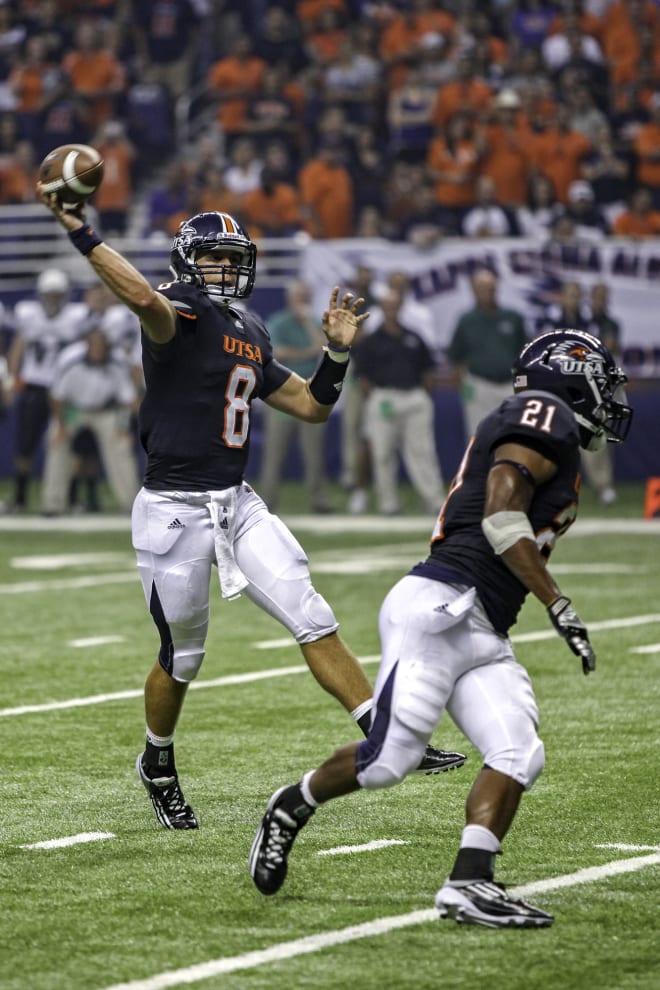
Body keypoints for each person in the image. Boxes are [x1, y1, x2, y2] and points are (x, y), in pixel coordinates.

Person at [36, 193, 465, 830]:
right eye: (211, 256)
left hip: (236, 503)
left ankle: (388, 734)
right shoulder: (175, 312)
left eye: (231, 257)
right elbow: (143, 302)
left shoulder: (250, 328)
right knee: (182, 657)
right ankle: (156, 761)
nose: (224, 267)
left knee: (311, 613)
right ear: (187, 260)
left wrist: (338, 354)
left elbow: (312, 406)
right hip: (173, 508)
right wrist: (82, 232)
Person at [249, 328, 633, 928]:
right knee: (386, 764)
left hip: (483, 625)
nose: (606, 396)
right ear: (566, 378)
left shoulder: (556, 431)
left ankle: (469, 884)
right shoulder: (545, 413)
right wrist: (557, 603)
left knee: (517, 751)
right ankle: (289, 805)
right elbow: (503, 516)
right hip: (441, 608)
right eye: (599, 381)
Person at [352, 286, 444, 517]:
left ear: (400, 307)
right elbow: (361, 375)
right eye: (388, 305)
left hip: (413, 397)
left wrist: (423, 394)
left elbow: (429, 370)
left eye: (395, 305)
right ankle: (389, 504)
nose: (392, 309)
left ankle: (434, 501)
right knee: (382, 453)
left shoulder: (414, 336)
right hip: (384, 397)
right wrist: (374, 397)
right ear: (382, 308)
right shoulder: (371, 340)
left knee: (422, 452)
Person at [3, 267, 88, 513]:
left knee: (69, 443)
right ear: (41, 294)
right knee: (25, 445)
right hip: (35, 388)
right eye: (49, 294)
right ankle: (20, 498)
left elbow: (82, 351)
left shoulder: (76, 316)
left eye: (57, 294)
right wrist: (11, 383)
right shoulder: (28, 314)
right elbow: (17, 350)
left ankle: (71, 498)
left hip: (66, 393)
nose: (53, 299)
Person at [41, 327, 140, 516]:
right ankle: (53, 504)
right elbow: (56, 397)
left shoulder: (116, 362)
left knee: (121, 446)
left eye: (102, 346)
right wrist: (61, 428)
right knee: (56, 441)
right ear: (87, 346)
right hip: (73, 409)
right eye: (94, 346)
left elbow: (128, 400)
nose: (98, 350)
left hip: (105, 410)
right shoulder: (70, 360)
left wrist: (123, 427)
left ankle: (130, 504)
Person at [258, 279, 334, 514]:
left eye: (304, 296)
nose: (301, 300)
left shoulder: (313, 322)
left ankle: (319, 500)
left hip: (308, 393)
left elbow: (324, 347)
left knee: (314, 454)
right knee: (274, 454)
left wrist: (309, 327)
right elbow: (277, 353)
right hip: (281, 395)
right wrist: (307, 352)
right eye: (298, 296)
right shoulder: (279, 322)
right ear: (290, 298)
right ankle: (266, 502)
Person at [448, 269, 528, 443]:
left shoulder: (512, 317)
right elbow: (455, 357)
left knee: (515, 438)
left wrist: (522, 387)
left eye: (490, 288)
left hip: (509, 386)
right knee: (479, 438)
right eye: (481, 288)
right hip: (479, 386)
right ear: (473, 291)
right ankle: (481, 471)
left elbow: (525, 356)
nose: (486, 292)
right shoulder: (466, 320)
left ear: (496, 289)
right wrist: (463, 386)